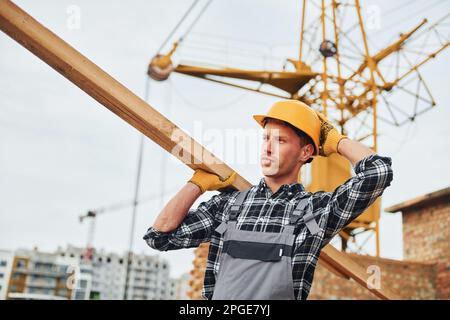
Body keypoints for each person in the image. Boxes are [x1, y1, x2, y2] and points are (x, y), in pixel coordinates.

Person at [143, 99, 393, 300]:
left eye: (281, 140)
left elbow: (378, 172)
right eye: (266, 138)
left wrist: (337, 142)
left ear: (305, 152)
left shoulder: (315, 213)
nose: (268, 148)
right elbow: (160, 236)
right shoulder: (229, 205)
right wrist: (196, 184)